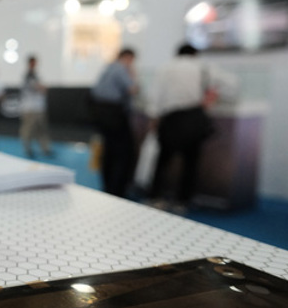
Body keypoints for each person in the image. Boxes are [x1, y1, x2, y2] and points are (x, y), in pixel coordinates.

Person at [148, 44, 237, 210]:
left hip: (170, 117)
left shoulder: (166, 68)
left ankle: (155, 197)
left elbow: (155, 94)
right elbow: (231, 84)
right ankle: (182, 201)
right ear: (194, 54)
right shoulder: (202, 67)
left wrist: (153, 117)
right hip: (193, 116)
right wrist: (211, 98)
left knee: (163, 160)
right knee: (190, 162)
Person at [90, 48, 138, 198]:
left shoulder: (108, 68)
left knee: (108, 151)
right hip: (116, 116)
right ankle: (118, 189)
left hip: (102, 115)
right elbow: (132, 89)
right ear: (128, 57)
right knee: (123, 153)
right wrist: (133, 75)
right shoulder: (121, 69)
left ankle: (108, 186)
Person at [19, 55, 51, 158]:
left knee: (41, 129)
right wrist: (42, 88)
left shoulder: (36, 74)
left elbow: (42, 88)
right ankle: (27, 148)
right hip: (29, 108)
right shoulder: (28, 75)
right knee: (28, 129)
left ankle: (45, 148)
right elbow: (38, 88)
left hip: (38, 107)